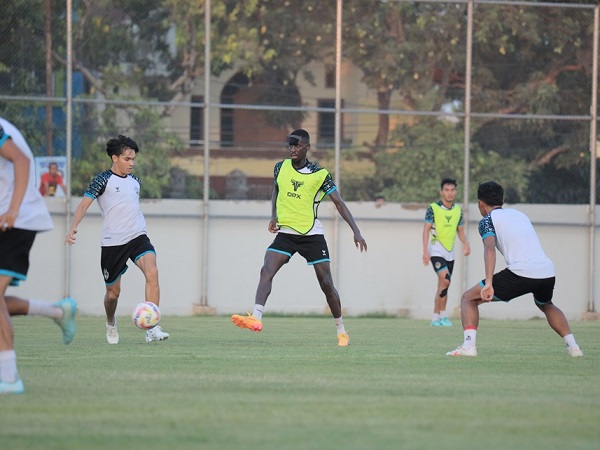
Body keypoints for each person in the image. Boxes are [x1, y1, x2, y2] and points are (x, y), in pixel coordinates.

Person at [231, 129, 367, 346]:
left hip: (311, 235)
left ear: (307, 147)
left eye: (297, 145)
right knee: (266, 269)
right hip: (286, 234)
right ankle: (256, 317)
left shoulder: (320, 174)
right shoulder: (280, 167)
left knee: (326, 284)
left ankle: (341, 330)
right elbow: (277, 190)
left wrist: (356, 231)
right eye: (290, 145)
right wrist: (274, 216)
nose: (292, 149)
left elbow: (339, 202)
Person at [447, 181, 583, 357]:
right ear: (501, 200)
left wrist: (489, 283)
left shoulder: (487, 220)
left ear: (481, 203)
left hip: (521, 273)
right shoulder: (520, 215)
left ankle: (468, 346)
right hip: (547, 271)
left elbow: (489, 249)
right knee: (546, 304)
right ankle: (574, 347)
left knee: (468, 298)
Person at [65, 135, 169, 345]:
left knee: (153, 271)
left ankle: (152, 328)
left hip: (138, 236)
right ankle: (111, 321)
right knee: (112, 294)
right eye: (127, 158)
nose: (132, 163)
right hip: (113, 243)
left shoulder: (135, 182)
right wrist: (73, 227)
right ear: (115, 158)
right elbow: (83, 205)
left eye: (133, 159)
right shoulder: (102, 180)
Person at [0, 117, 77, 395]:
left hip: (15, 220)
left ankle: (8, 378)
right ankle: (58, 311)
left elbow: (22, 161)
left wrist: (13, 209)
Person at [422, 178, 470, 326]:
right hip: (436, 250)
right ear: (441, 192)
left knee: (443, 285)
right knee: (446, 279)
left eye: (452, 190)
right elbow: (426, 230)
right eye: (446, 190)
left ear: (455, 192)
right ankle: (442, 315)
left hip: (450, 252)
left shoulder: (458, 210)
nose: (449, 193)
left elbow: (460, 231)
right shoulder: (433, 208)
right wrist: (425, 252)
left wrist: (466, 243)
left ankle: (437, 317)